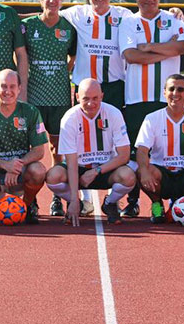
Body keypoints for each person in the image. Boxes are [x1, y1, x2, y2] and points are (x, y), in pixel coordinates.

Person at [118, 0, 184, 217]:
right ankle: (135, 200)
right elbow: (131, 56)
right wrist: (164, 50)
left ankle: (177, 201)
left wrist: (148, 47)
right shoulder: (128, 22)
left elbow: (182, 47)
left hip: (167, 100)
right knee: (139, 153)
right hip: (137, 98)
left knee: (170, 151)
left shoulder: (173, 19)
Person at [45, 79, 136, 225]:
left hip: (105, 169)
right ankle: (78, 205)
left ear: (102, 96)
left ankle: (110, 203)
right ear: (77, 97)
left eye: (95, 98)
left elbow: (124, 155)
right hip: (78, 169)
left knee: (129, 176)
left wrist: (96, 171)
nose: (90, 103)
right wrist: (74, 200)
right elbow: (71, 162)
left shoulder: (113, 113)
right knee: (52, 176)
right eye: (85, 98)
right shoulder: (69, 118)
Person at [21, 0, 76, 217]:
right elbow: (19, 58)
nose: (51, 1)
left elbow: (72, 58)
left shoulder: (69, 28)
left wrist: (62, 73)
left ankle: (56, 196)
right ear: (40, 0)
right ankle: (28, 199)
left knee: (57, 147)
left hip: (60, 96)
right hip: (34, 97)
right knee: (29, 146)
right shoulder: (27, 26)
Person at [134, 74, 184, 223]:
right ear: (164, 92)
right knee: (141, 170)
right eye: (171, 89)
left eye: (180, 89)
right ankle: (157, 205)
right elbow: (142, 150)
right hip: (163, 173)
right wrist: (145, 171)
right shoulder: (152, 118)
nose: (175, 93)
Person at [0, 69, 49, 225]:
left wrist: (16, 166)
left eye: (12, 87)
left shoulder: (30, 112)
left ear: (19, 88)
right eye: (3, 86)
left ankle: (26, 206)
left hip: (19, 172)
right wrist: (5, 165)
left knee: (38, 171)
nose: (8, 91)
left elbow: (39, 150)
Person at [60, 0, 133, 108]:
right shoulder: (77, 13)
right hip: (84, 87)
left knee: (113, 127)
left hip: (114, 86)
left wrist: (174, 12)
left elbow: (147, 20)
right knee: (84, 128)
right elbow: (46, 17)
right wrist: (14, 16)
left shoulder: (124, 15)